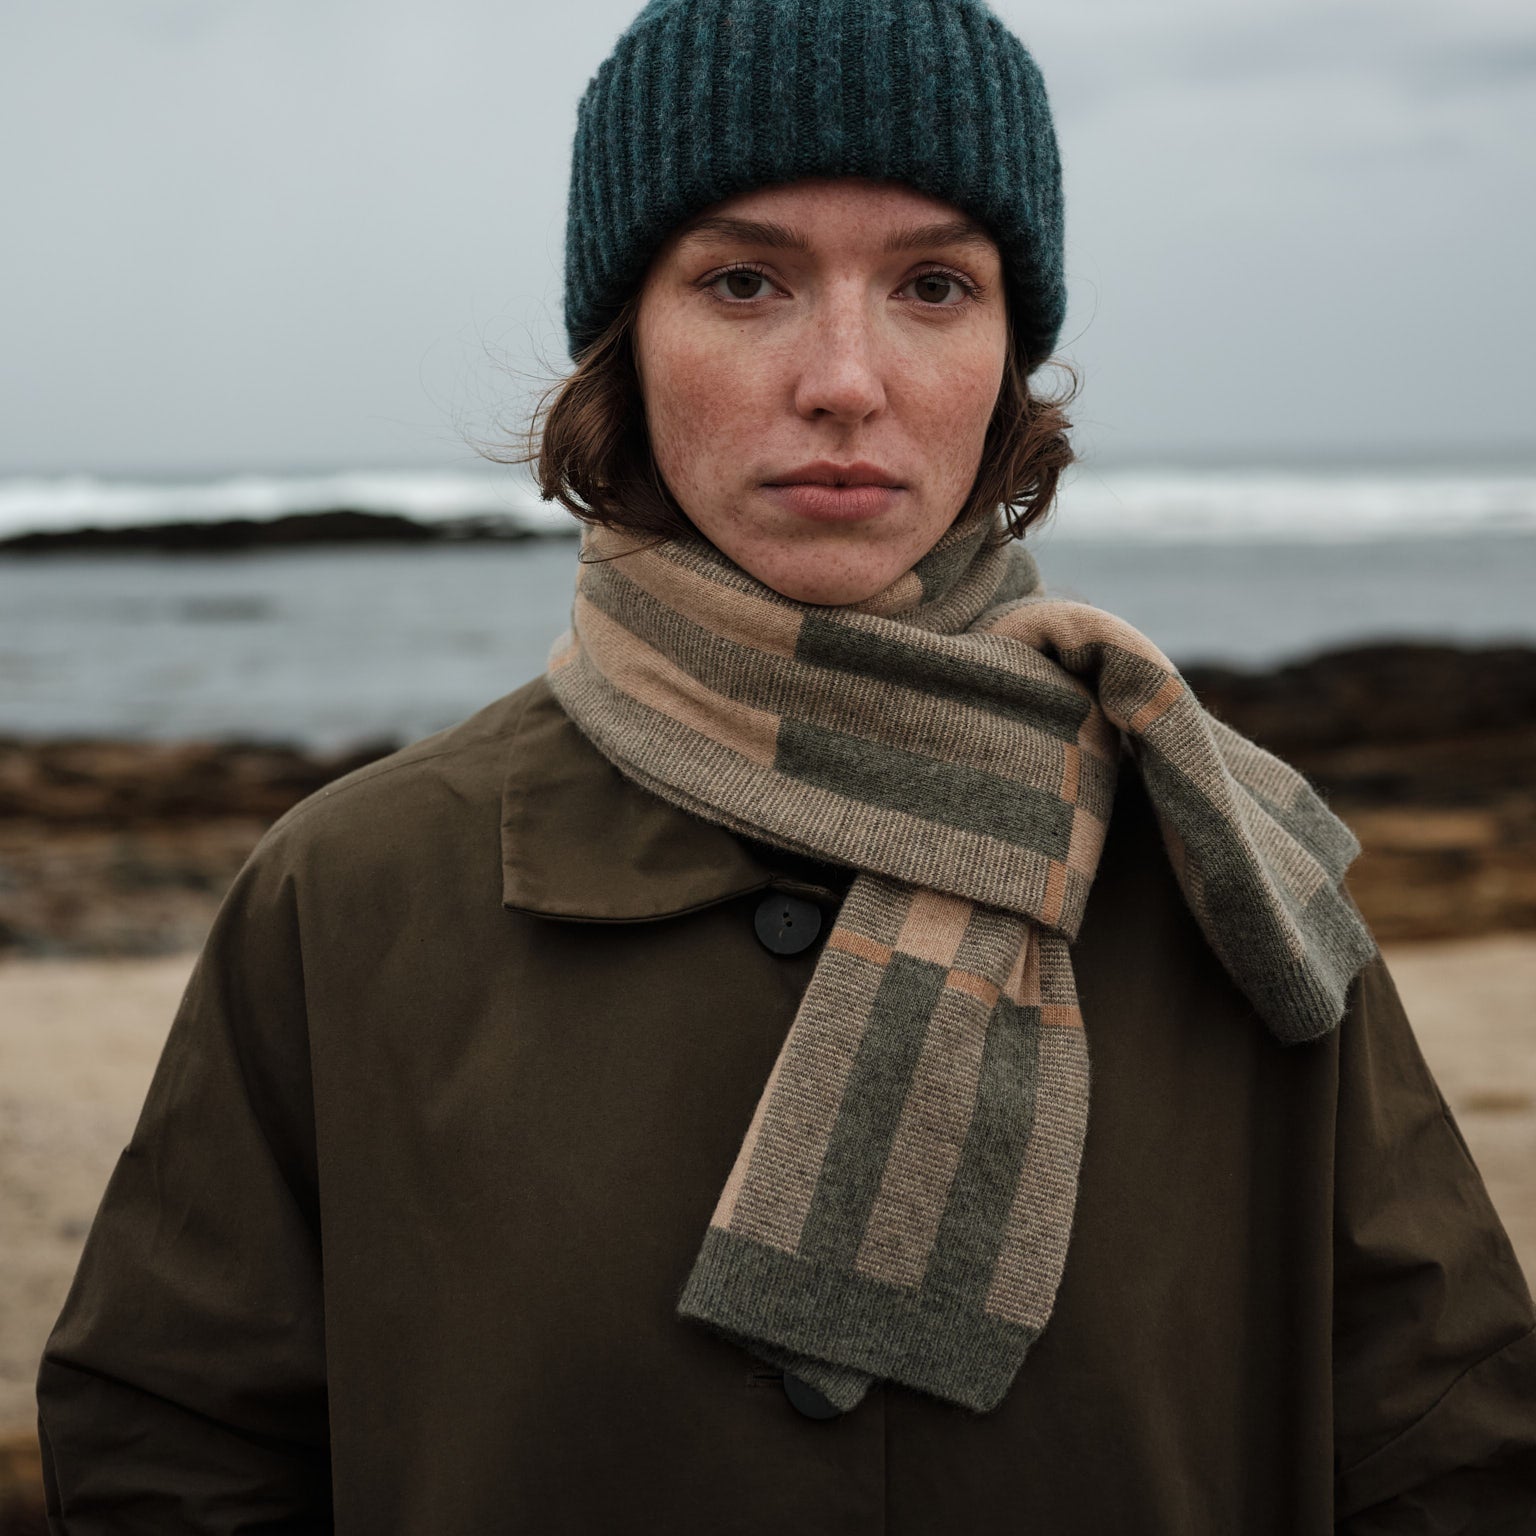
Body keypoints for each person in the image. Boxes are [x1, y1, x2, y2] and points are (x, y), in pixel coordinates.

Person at [37, 0, 1536, 1530]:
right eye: (744, 281)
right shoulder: (349, 894)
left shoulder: (1235, 873)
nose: (843, 378)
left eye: (935, 285)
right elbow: (176, 1453)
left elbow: (1451, 1443)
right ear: (626, 340)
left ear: (1014, 351)